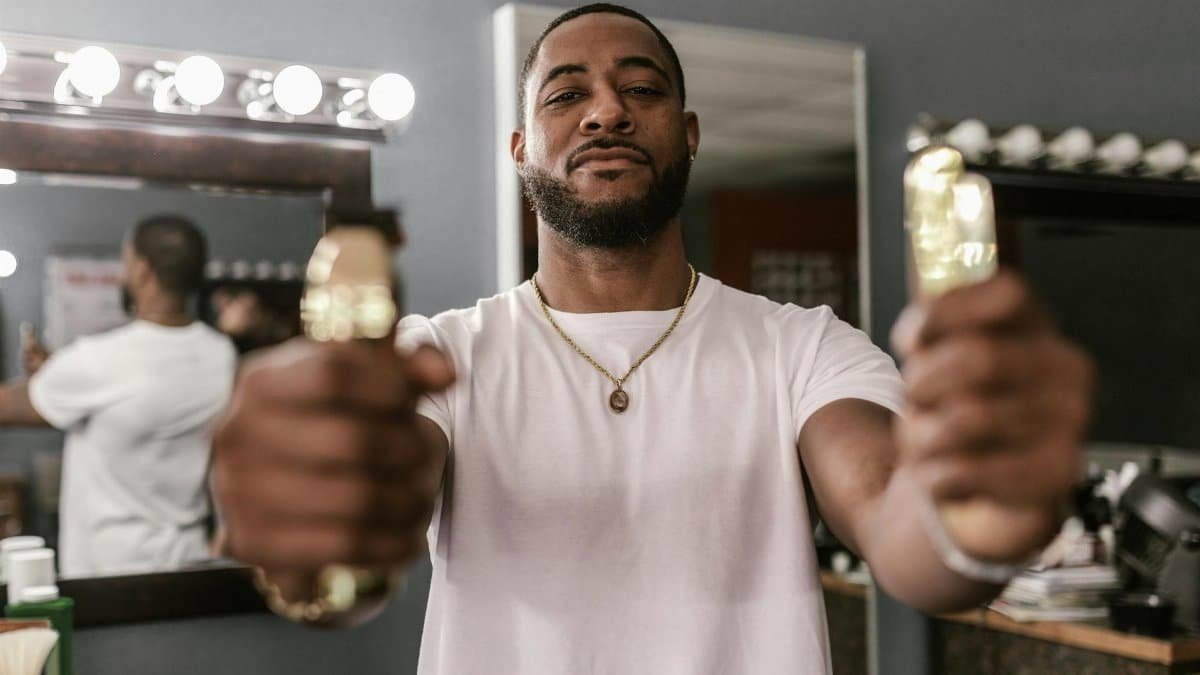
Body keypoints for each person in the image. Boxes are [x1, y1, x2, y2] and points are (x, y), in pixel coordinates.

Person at [211, 4, 1093, 673]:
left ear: (690, 134)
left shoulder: (803, 348)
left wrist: (977, 519)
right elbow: (382, 491)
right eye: (568, 94)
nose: (606, 113)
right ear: (521, 149)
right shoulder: (443, 354)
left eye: (642, 89)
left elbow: (901, 527)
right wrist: (321, 529)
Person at [0, 215, 237, 577]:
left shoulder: (99, 359)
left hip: (110, 574)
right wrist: (57, 372)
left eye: (125, 263)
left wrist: (58, 374)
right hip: (190, 564)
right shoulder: (221, 355)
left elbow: (8, 405)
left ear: (142, 270)